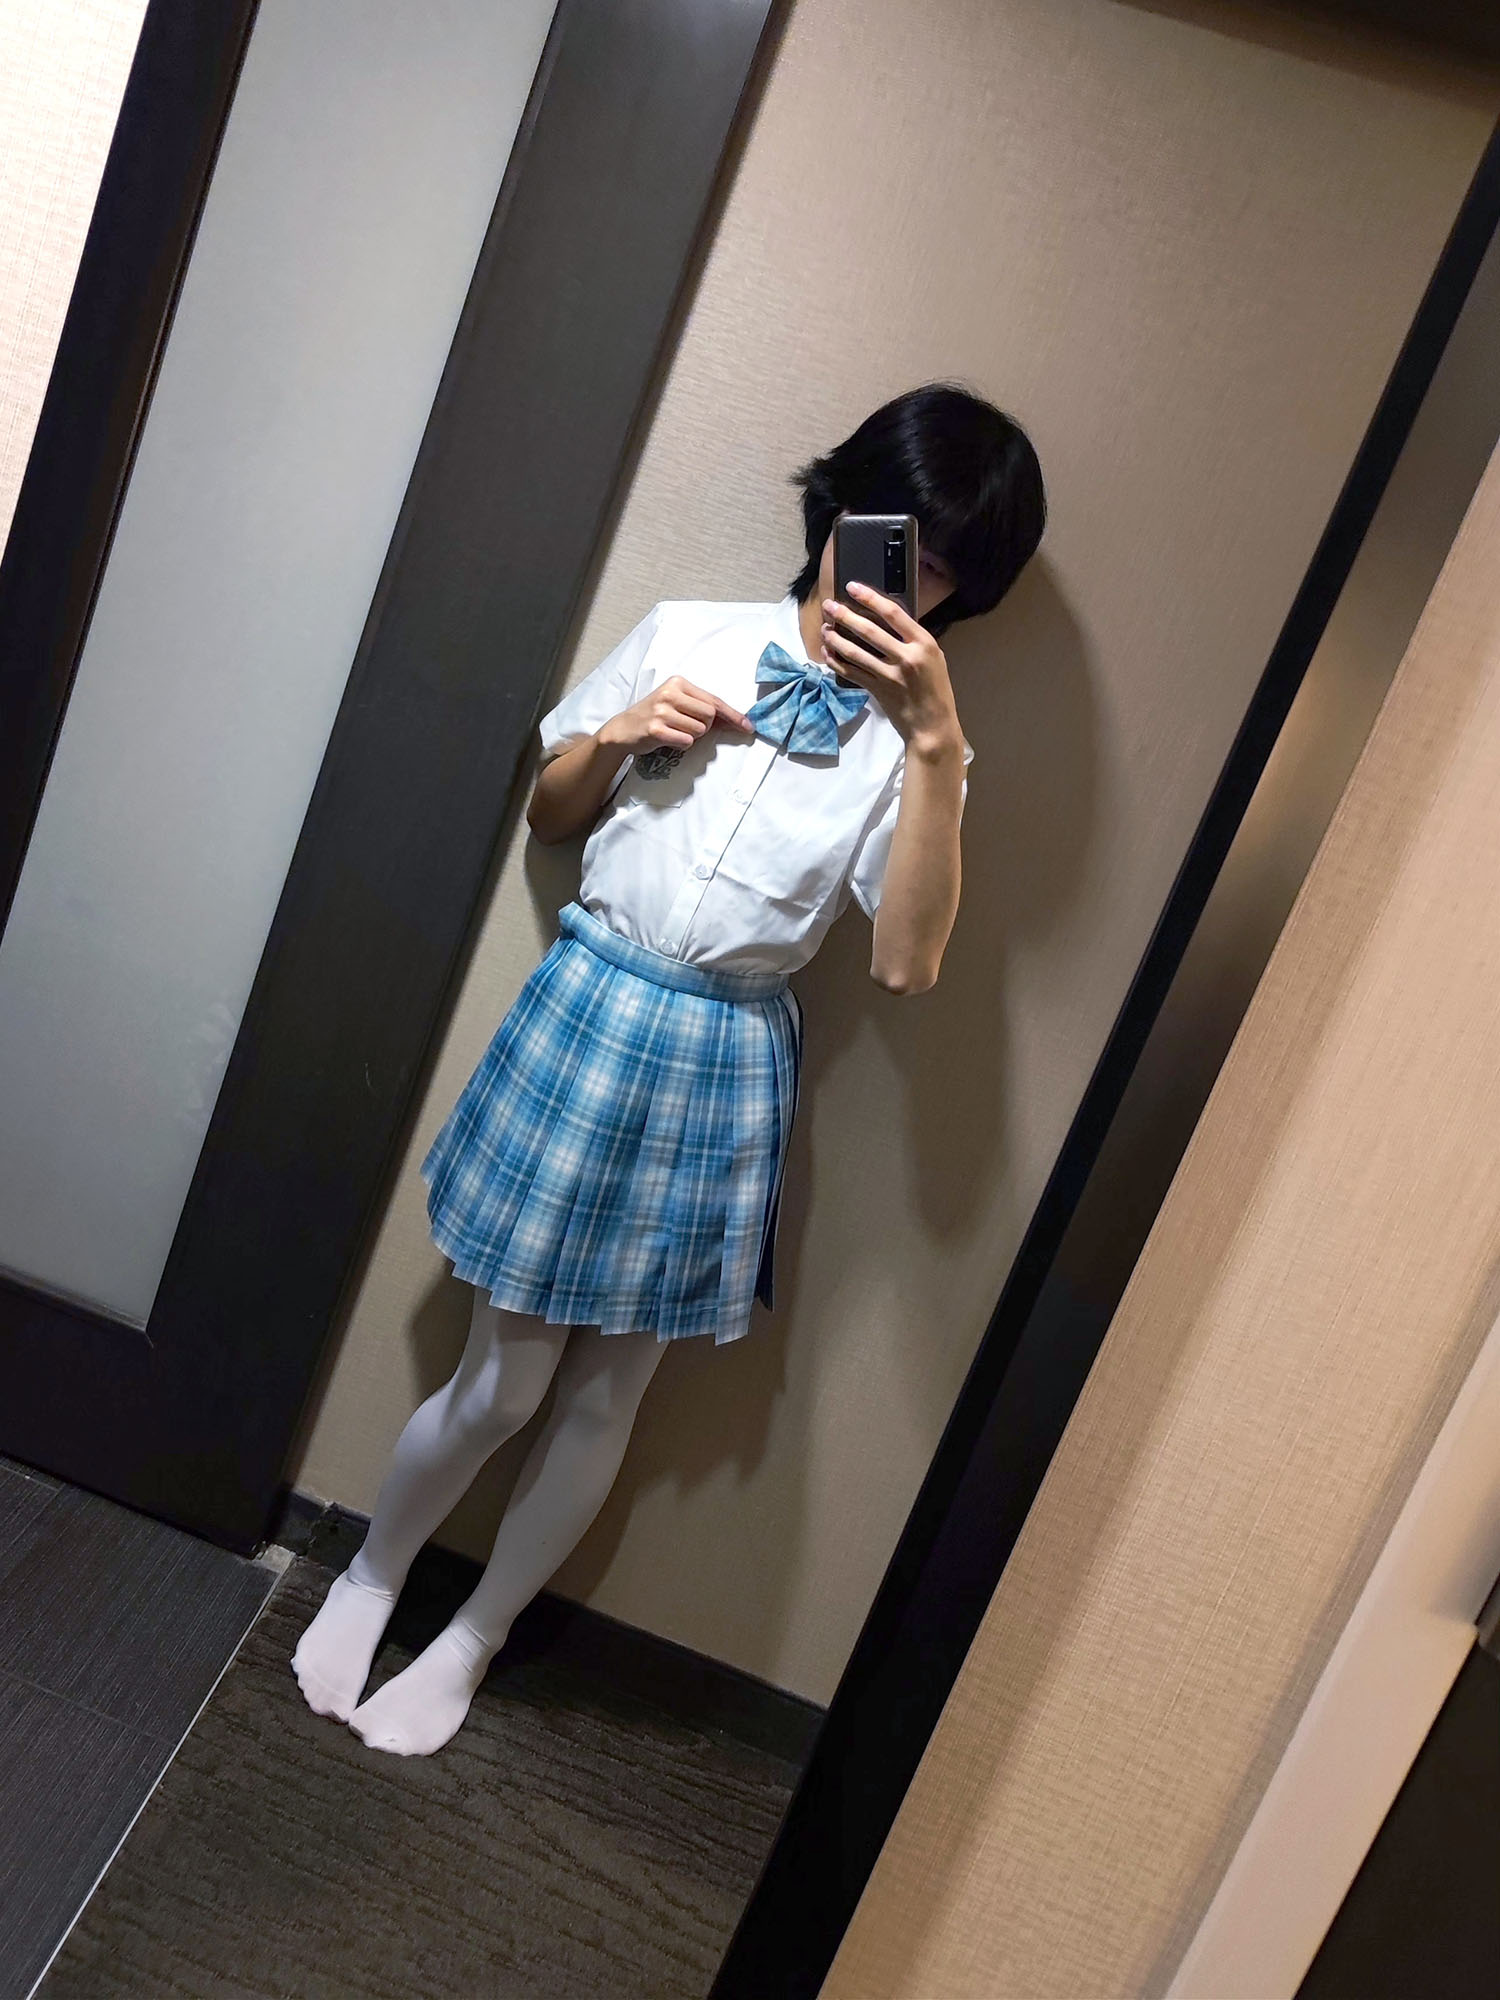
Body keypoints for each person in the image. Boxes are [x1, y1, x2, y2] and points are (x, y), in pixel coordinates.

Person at [290, 380, 1046, 1755]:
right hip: (590, 1007)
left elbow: (905, 967)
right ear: (840, 505)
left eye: (944, 569)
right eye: (896, 534)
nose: (907, 579)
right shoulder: (690, 629)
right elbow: (551, 814)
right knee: (504, 1380)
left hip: (724, 1054)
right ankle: (372, 1576)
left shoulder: (916, 751)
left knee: (605, 1396)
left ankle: (471, 1641)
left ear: (967, 596)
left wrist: (937, 743)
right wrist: (618, 738)